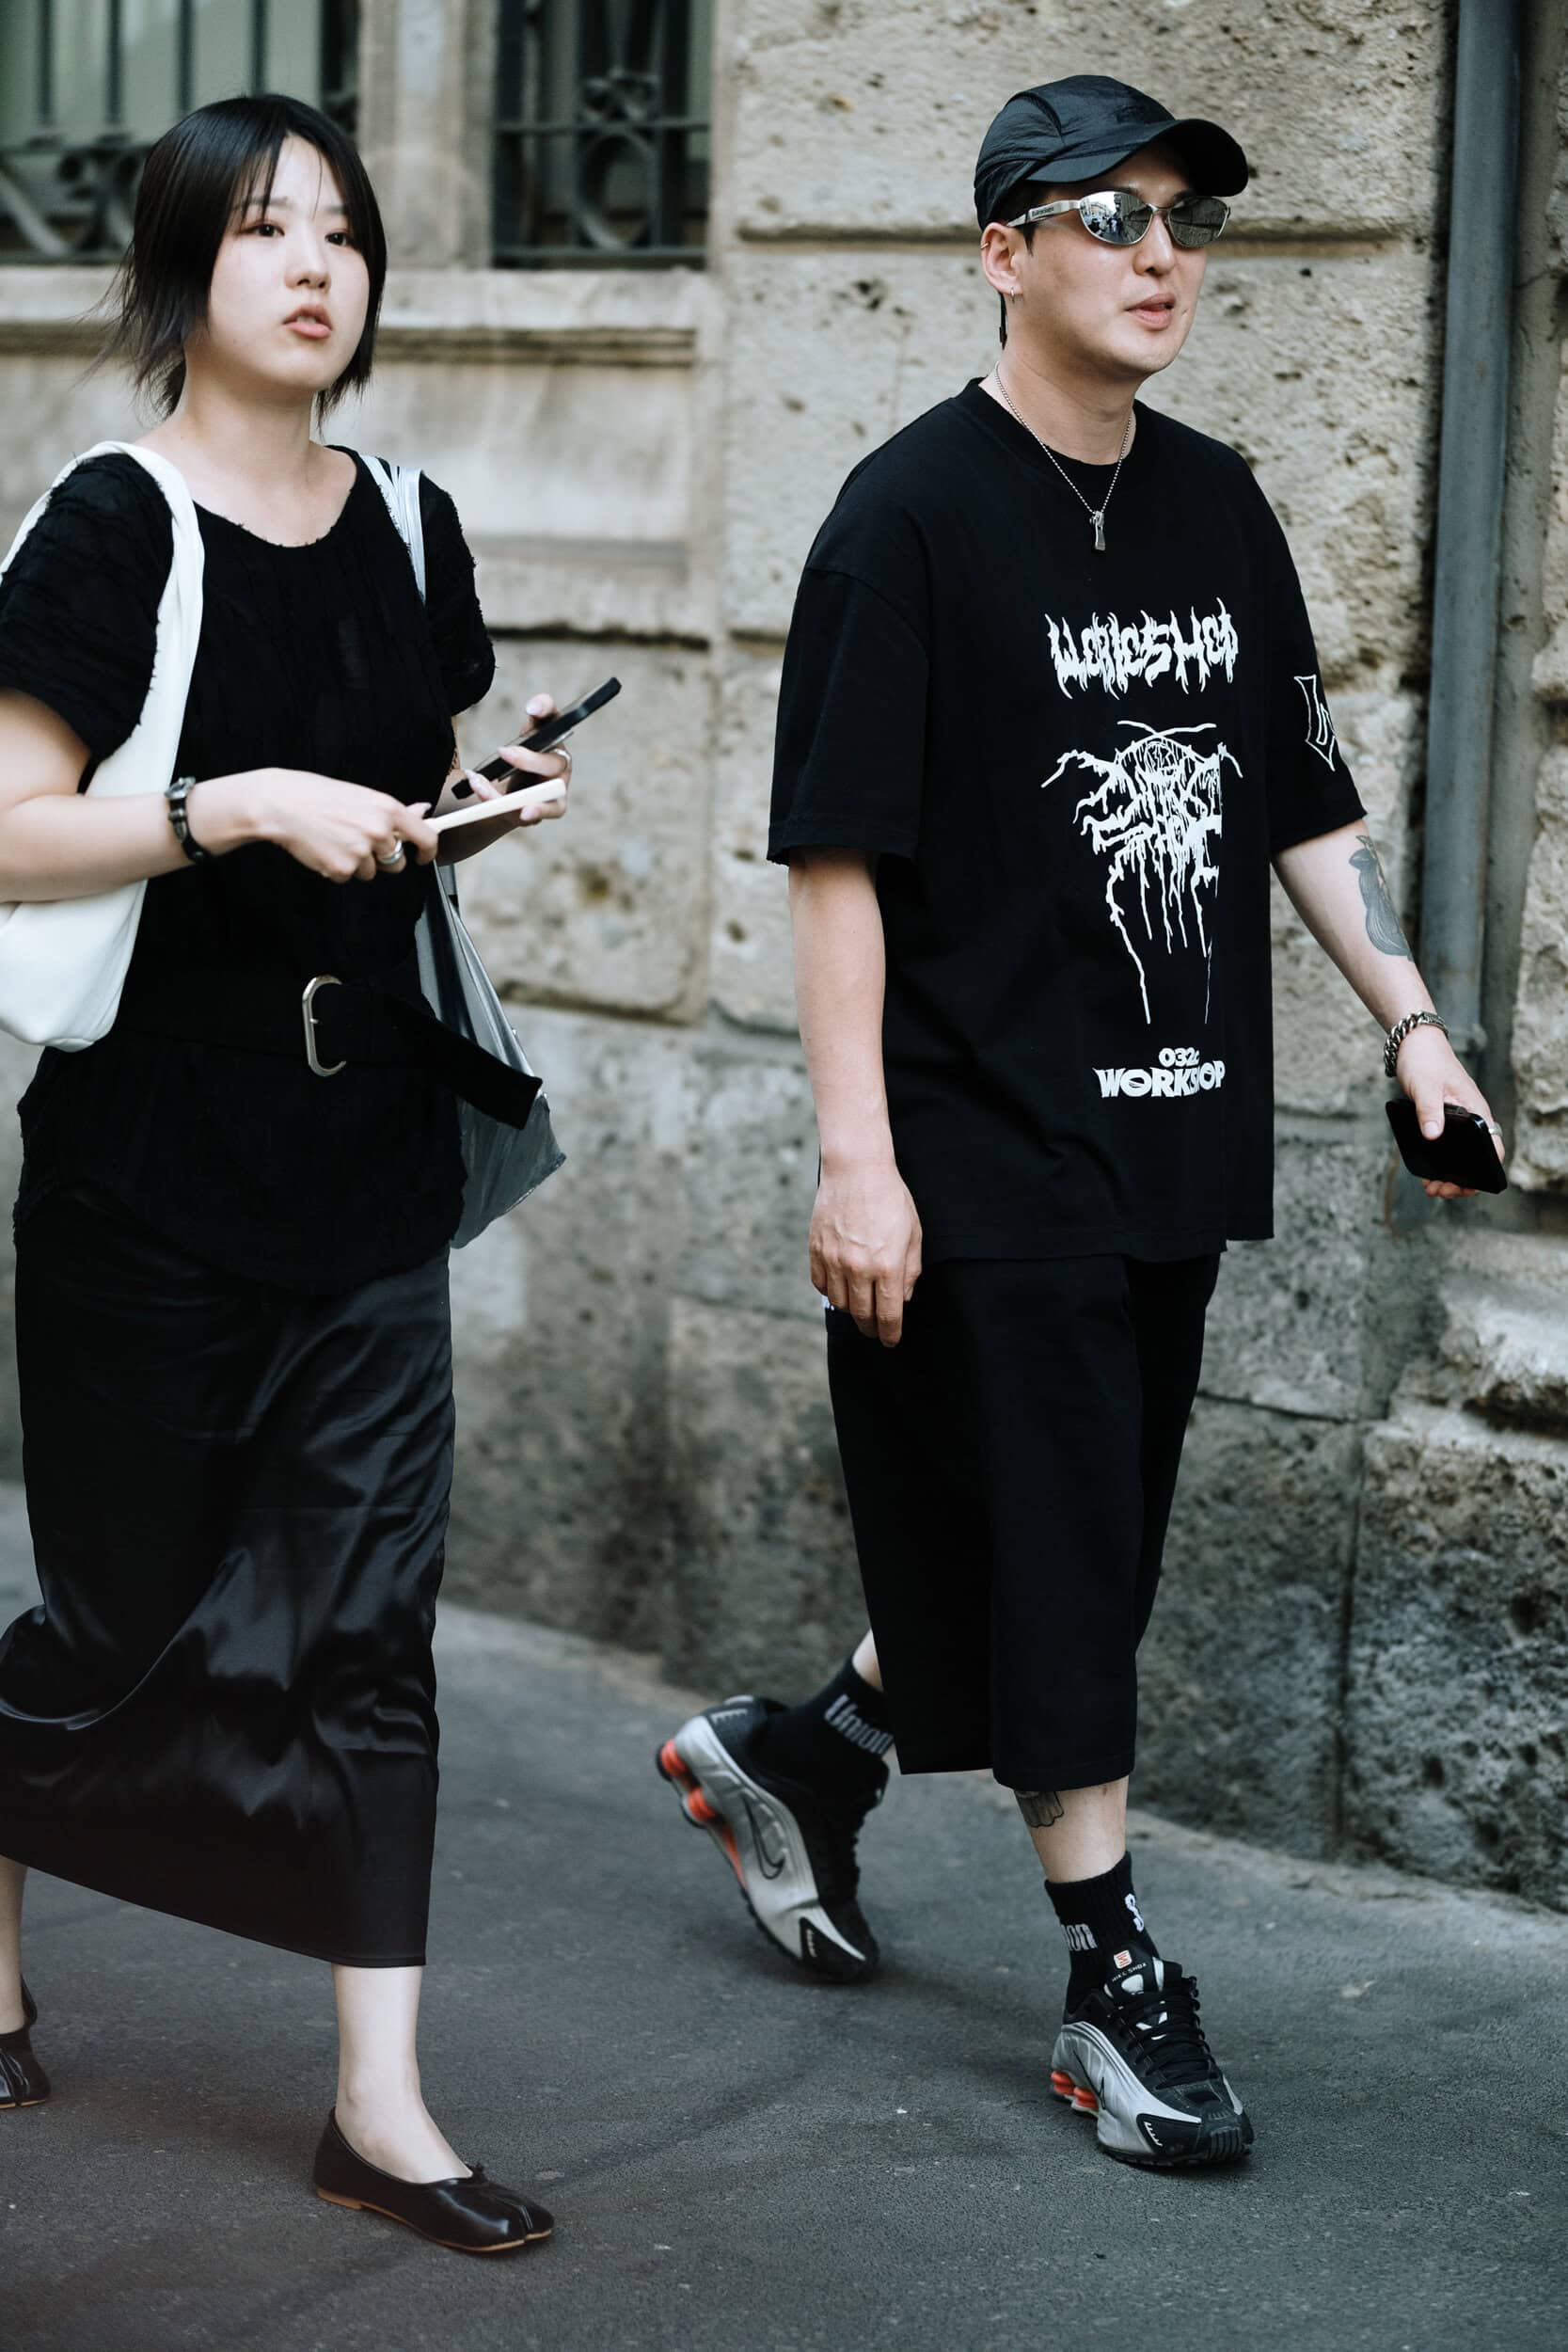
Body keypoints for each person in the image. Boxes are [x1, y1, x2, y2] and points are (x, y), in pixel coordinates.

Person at [657, 74, 1503, 2171]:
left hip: (1173, 1127)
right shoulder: (904, 519)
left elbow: (1302, 803)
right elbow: (836, 861)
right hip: (982, 1131)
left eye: (1185, 222)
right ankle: (1113, 1972)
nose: (1158, 255)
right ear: (1002, 251)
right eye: (1108, 216)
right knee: (1057, 1538)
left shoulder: (1220, 505)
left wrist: (1413, 1024)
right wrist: (859, 1156)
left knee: (1076, 1543)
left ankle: (811, 1755)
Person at [0, 94, 567, 2253]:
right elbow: (8, 829)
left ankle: (380, 2104)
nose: (316, 265)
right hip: (146, 1172)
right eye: (262, 230)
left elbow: (399, 796)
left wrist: (476, 798)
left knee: (371, 1624)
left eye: (341, 229)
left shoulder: (412, 522)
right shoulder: (111, 523)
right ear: (181, 271)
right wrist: (226, 805)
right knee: (117, 1622)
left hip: (370, 1168)